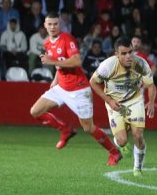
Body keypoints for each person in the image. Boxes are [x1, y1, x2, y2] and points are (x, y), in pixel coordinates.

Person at [29, 12, 122, 166]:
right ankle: (66, 130)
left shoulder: (67, 39)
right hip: (61, 87)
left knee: (88, 127)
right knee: (35, 111)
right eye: (49, 24)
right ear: (45, 26)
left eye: (55, 24)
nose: (52, 27)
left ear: (60, 25)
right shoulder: (47, 43)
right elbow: (59, 64)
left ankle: (114, 152)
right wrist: (55, 80)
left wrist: (51, 61)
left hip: (79, 90)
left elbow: (77, 61)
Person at [90, 37, 156, 176]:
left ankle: (137, 168)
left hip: (134, 100)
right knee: (122, 140)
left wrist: (151, 101)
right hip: (115, 103)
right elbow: (93, 82)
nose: (128, 56)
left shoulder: (141, 64)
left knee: (138, 135)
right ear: (117, 54)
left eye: (130, 52)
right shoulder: (107, 66)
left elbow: (151, 85)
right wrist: (108, 101)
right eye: (124, 53)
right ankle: (121, 145)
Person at [131, 36, 157, 119]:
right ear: (131, 43)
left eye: (138, 42)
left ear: (141, 45)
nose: (136, 44)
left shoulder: (142, 56)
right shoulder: (127, 54)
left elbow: (154, 67)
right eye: (134, 41)